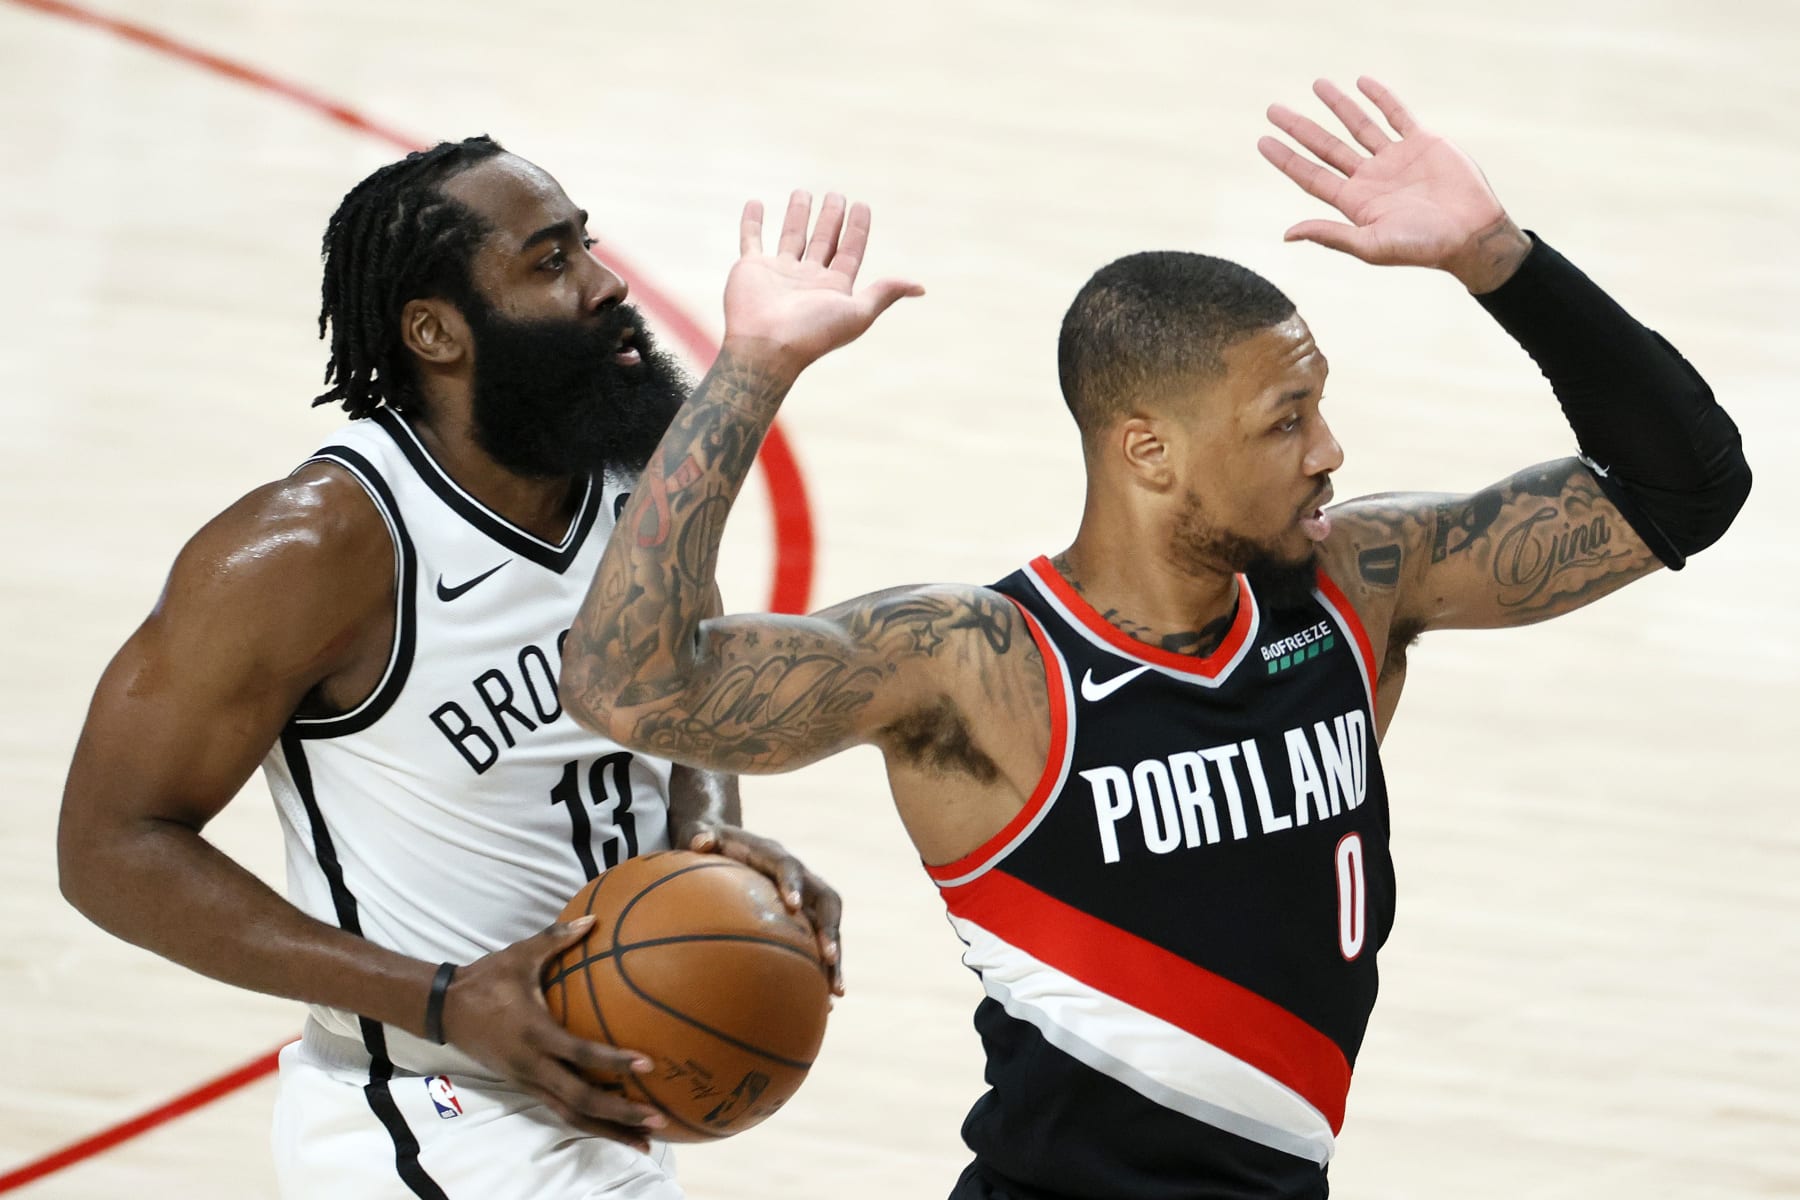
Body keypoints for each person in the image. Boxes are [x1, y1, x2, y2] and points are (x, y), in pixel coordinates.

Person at [557, 78, 1751, 1199]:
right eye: (1287, 420)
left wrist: (1498, 259)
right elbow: (630, 687)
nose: (1329, 449)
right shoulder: (978, 665)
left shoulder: (1356, 585)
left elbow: (1686, 488)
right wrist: (753, 369)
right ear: (1150, 452)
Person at [57, 135, 842, 1200]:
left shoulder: (632, 477)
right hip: (430, 1120)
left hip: (601, 1100)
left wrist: (707, 831)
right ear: (436, 332)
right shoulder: (314, 548)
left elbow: (679, 680)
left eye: (588, 246)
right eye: (550, 261)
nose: (606, 284)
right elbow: (110, 848)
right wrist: (438, 998)